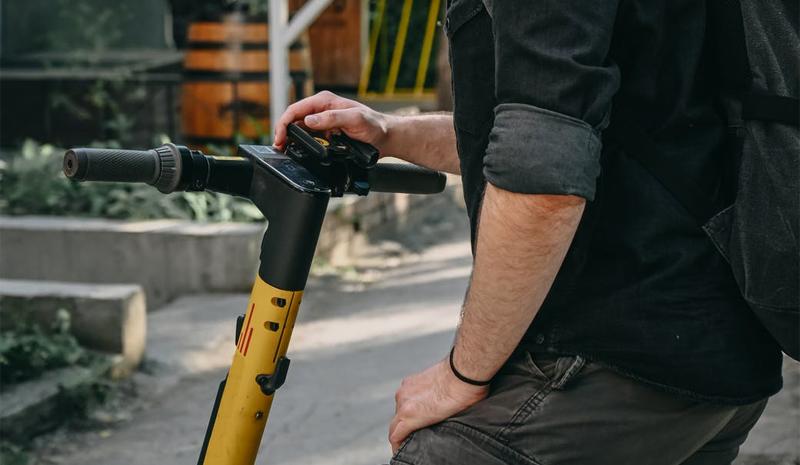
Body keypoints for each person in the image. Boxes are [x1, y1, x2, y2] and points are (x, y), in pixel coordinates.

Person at [273, 1, 783, 463]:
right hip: (722, 360)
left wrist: (462, 374)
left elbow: (544, 175)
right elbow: (576, 134)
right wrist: (390, 133)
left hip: (611, 361)